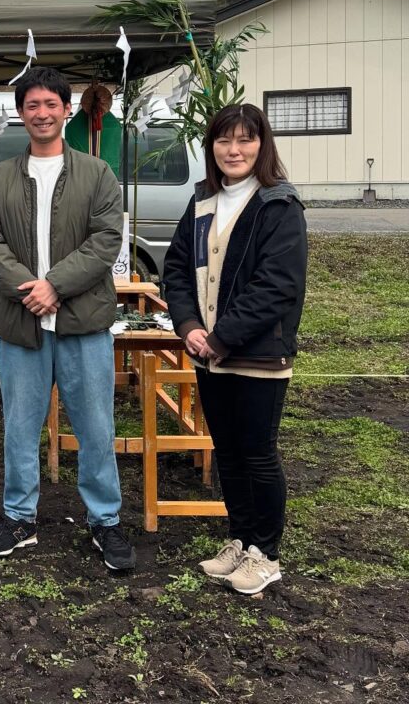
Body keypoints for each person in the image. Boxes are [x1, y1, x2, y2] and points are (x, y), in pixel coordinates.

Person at [0, 67, 135, 571]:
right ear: (21, 115)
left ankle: (104, 521)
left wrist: (55, 285)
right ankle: (18, 517)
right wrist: (30, 289)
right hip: (21, 323)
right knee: (19, 426)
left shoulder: (97, 174)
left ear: (67, 110)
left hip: (82, 320)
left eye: (50, 104)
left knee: (94, 425)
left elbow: (106, 239)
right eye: (31, 105)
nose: (41, 113)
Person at [163, 103, 306, 595]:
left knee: (257, 452)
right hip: (207, 351)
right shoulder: (203, 200)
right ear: (212, 147)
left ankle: (266, 554)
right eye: (224, 140)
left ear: (262, 145)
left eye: (245, 139)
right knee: (227, 452)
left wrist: (222, 336)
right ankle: (241, 540)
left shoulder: (277, 206)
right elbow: (177, 268)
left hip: (257, 353)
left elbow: (277, 287)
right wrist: (188, 326)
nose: (234, 150)